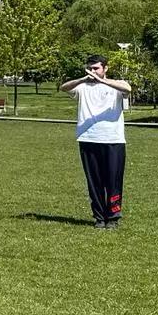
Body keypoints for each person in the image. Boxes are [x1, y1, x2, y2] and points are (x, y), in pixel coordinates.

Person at [61, 55, 132, 229]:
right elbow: (63, 88)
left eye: (96, 68)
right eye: (90, 69)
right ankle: (99, 217)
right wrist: (84, 79)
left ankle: (113, 217)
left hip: (113, 140)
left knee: (113, 181)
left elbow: (128, 89)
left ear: (105, 68)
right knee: (94, 181)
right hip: (88, 139)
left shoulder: (116, 84)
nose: (92, 72)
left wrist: (104, 82)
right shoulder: (83, 87)